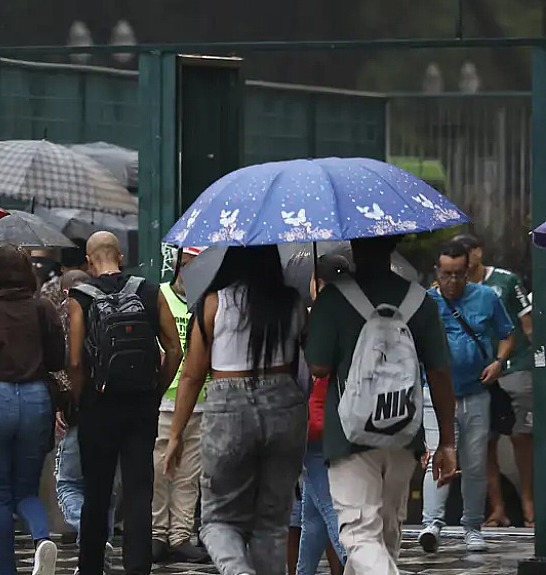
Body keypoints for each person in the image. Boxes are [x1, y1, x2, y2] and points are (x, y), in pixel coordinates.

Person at [305, 236, 457, 575]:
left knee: (360, 536)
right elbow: (440, 372)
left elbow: (318, 367)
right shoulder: (420, 300)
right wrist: (447, 440)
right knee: (386, 536)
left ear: (353, 246)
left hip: (350, 435)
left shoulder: (334, 297)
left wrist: (313, 326)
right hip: (404, 431)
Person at [161, 245, 307, 575]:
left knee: (217, 521)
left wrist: (175, 434)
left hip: (230, 409)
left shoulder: (214, 303)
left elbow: (193, 374)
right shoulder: (293, 304)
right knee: (272, 523)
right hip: (285, 406)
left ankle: (239, 571)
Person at [68, 232, 183, 575]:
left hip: (97, 406)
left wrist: (77, 400)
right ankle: (137, 567)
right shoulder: (149, 291)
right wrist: (156, 391)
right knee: (138, 491)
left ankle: (91, 567)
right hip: (140, 406)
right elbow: (175, 350)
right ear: (120, 255)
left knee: (97, 490)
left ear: (89, 261)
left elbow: (74, 361)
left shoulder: (80, 297)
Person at [0, 245, 67, 575]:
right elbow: (57, 360)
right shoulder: (43, 308)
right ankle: (41, 539)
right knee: (26, 489)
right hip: (36, 399)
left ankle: (7, 570)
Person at [419, 240, 514, 553]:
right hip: (435, 392)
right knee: (437, 455)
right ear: (437, 272)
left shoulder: (486, 297)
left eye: (459, 274)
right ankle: (431, 523)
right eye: (447, 274)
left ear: (468, 271)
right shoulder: (425, 303)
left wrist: (498, 362)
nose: (453, 281)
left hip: (475, 391)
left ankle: (471, 525)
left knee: (474, 463)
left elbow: (507, 333)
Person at [452, 233, 535, 527]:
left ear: (478, 252)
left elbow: (527, 324)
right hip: (480, 372)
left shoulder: (505, 281)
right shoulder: (455, 289)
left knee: (521, 435)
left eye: (467, 252)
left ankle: (529, 504)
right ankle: (497, 508)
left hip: (515, 366)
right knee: (484, 441)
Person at [151, 246, 209, 564]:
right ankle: (157, 533)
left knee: (189, 475)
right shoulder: (159, 295)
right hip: (165, 398)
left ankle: (180, 535)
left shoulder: (209, 300)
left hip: (202, 400)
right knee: (160, 470)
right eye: (189, 264)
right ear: (178, 266)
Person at [296, 254, 351, 575]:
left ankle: (356, 564)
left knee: (330, 509)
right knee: (312, 515)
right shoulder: (355, 316)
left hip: (313, 425)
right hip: (343, 421)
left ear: (317, 283)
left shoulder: (312, 319)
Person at [55, 269, 115, 559]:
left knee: (67, 481)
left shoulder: (64, 318)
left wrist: (65, 404)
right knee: (103, 483)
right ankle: (102, 540)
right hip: (112, 404)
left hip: (79, 409)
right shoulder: (109, 310)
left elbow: (69, 365)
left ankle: (91, 532)